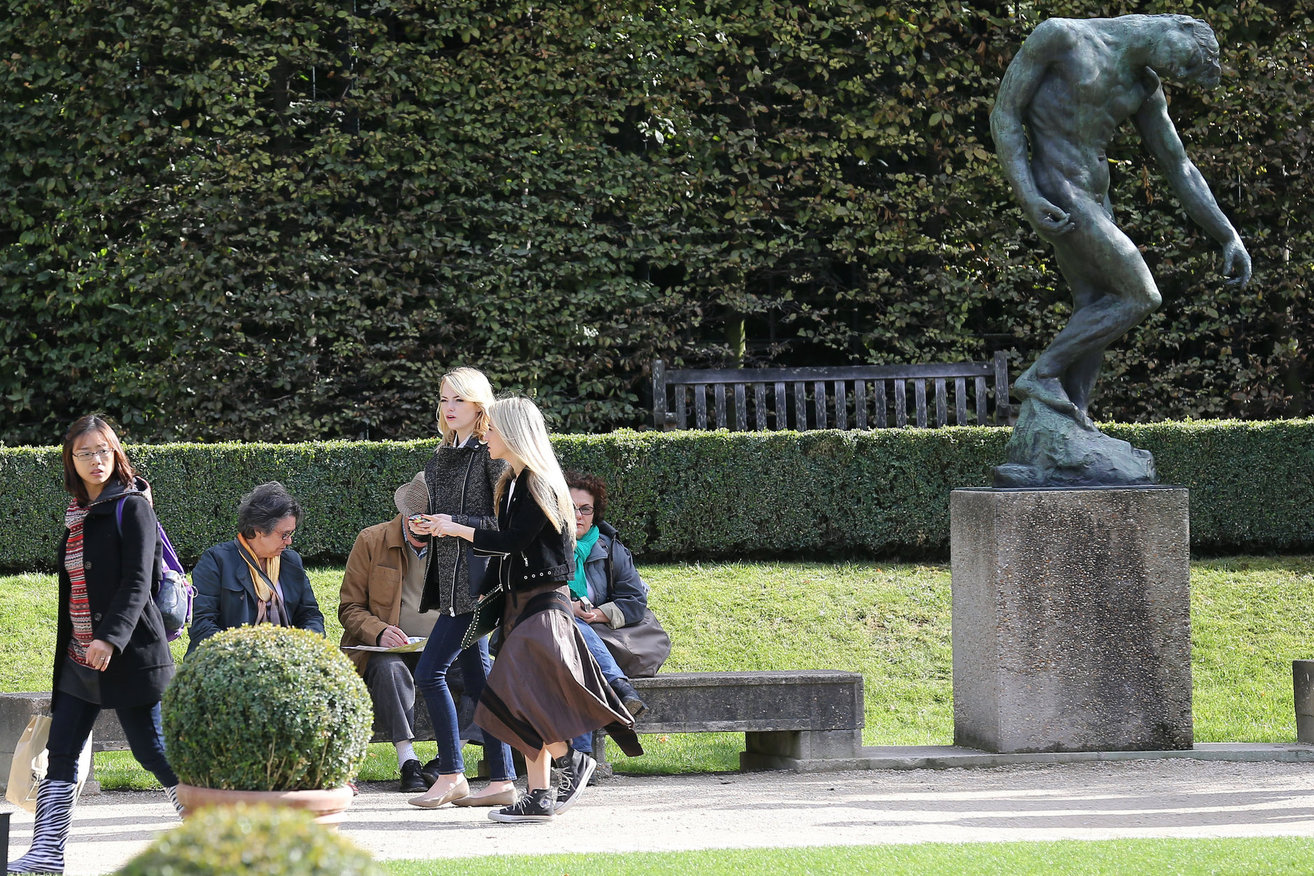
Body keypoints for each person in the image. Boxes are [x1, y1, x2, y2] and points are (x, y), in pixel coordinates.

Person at [991, 14, 1251, 431]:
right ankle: (1041, 373)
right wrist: (1028, 197)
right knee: (1141, 294)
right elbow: (1004, 114)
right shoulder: (1061, 37)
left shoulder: (1145, 87)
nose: (1180, 71)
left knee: (1096, 304)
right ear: (1179, 26)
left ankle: (1075, 418)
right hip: (1059, 189)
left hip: (1097, 198)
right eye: (1189, 60)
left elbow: (1179, 166)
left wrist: (1227, 234)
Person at [434, 396, 642, 823]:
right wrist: (487, 591)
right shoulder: (514, 480)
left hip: (543, 606)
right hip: (521, 606)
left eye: (492, 428)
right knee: (523, 700)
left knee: (514, 696)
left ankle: (569, 761)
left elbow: (514, 542)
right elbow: (514, 551)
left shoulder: (538, 482)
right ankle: (541, 793)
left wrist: (457, 528)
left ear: (513, 433)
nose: (485, 435)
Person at [8, 416, 181, 875]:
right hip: (78, 657)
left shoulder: (132, 506)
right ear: (71, 460)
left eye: (103, 450)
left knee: (152, 750)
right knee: (61, 750)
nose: (95, 460)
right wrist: (87, 642)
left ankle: (219, 837)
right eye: (84, 453)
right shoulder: (76, 514)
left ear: (115, 453)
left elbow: (138, 582)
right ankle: (47, 854)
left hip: (129, 654)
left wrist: (109, 638)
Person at [403, 367, 518, 809]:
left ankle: (452, 773)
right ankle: (502, 779)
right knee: (478, 681)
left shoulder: (494, 455)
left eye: (459, 400)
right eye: (444, 399)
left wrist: (454, 524)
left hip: (478, 585)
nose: (449, 408)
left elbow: (504, 526)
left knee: (429, 673)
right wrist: (424, 526)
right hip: (450, 583)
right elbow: (441, 521)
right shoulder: (439, 457)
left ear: (479, 404)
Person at [336, 477, 444, 793]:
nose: (423, 530)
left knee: (484, 674)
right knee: (389, 671)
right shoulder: (371, 540)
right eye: (417, 521)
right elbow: (349, 607)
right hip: (390, 652)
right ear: (405, 514)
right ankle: (408, 761)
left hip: (440, 647)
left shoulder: (453, 543)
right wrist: (379, 631)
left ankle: (445, 762)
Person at [563, 470, 650, 761]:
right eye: (570, 507)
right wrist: (567, 607)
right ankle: (618, 688)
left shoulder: (610, 548)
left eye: (585, 509)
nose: (578, 515)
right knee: (569, 631)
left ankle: (580, 757)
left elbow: (635, 600)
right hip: (547, 638)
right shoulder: (544, 545)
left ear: (595, 513)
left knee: (577, 658)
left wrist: (600, 613)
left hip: (598, 641)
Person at [187, 481, 324, 655]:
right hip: (230, 662)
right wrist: (244, 655)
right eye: (284, 535)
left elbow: (311, 615)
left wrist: (304, 647)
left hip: (286, 659)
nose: (289, 541)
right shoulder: (216, 561)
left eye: (291, 533)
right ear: (259, 530)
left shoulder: (291, 561)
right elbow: (202, 624)